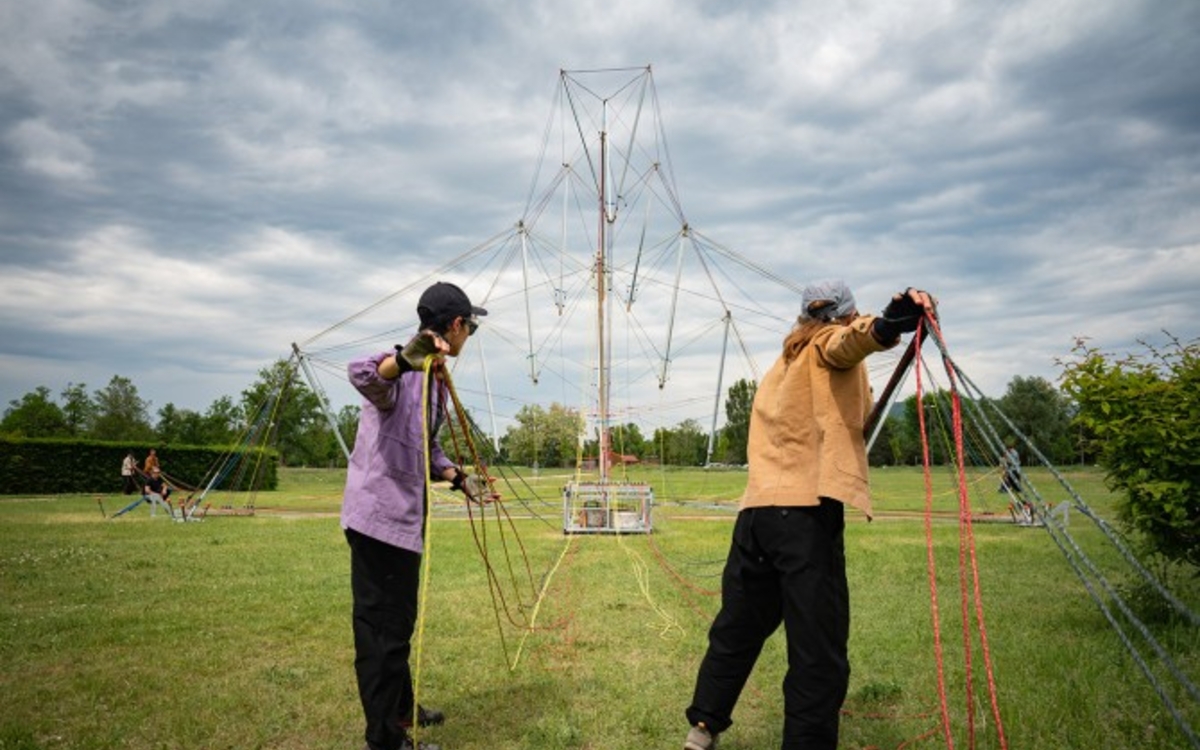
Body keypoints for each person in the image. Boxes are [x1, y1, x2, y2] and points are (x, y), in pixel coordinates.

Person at [683, 281, 935, 750]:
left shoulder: (783, 362)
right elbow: (850, 342)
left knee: (738, 628)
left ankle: (702, 730)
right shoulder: (824, 345)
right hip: (803, 515)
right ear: (846, 315)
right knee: (818, 647)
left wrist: (883, 329)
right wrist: (888, 324)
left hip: (756, 517)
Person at [341, 281, 496, 750]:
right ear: (456, 325)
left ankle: (403, 709)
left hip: (404, 523)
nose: (470, 335)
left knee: (398, 624)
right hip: (379, 521)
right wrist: (404, 359)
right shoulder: (405, 369)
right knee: (382, 634)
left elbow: (425, 446)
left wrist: (457, 477)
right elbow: (364, 374)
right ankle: (386, 741)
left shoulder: (433, 381)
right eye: (470, 327)